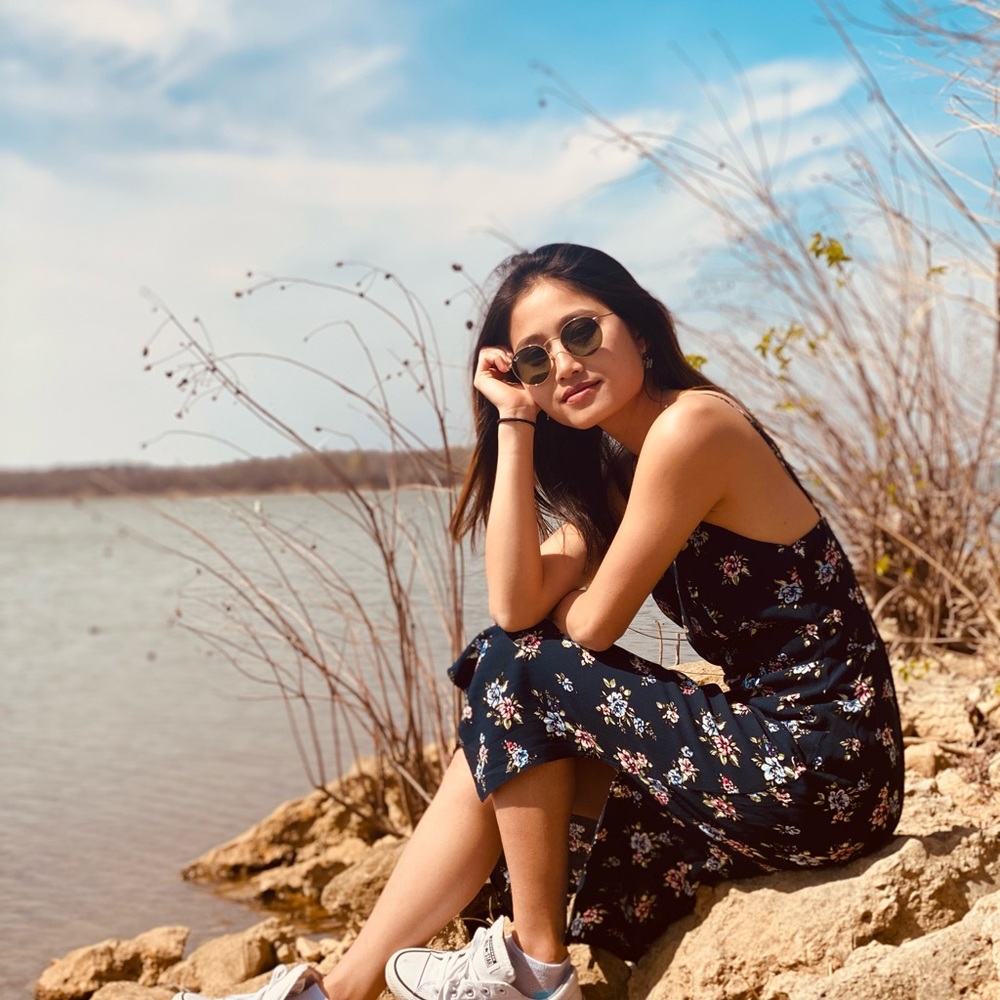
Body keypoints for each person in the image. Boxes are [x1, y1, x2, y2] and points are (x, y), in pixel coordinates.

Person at [177, 244, 904, 1000]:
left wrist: (559, 616)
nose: (563, 364)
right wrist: (514, 424)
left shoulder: (695, 427)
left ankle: (534, 963)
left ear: (642, 330)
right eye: (533, 360)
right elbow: (516, 603)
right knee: (498, 741)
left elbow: (584, 630)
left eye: (581, 333)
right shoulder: (620, 470)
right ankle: (336, 990)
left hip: (821, 767)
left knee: (517, 668)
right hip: (788, 769)